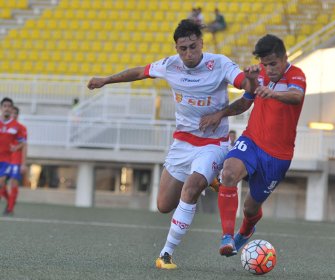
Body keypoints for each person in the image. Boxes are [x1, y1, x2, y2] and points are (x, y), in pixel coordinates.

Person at [87, 19, 257, 269]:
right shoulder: (170, 65)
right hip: (182, 143)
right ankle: (209, 178)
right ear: (176, 48)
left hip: (214, 143)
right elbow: (139, 72)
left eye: (192, 46)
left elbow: (247, 94)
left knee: (189, 189)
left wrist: (221, 113)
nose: (188, 53)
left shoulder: (219, 64)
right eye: (182, 48)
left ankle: (166, 254)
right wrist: (106, 80)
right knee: (164, 205)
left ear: (201, 42)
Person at [199, 34, 306, 256]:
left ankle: (246, 231)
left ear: (285, 56)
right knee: (228, 174)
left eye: (273, 63)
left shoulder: (297, 75)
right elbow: (245, 102)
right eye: (265, 64)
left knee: (250, 208)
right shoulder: (260, 73)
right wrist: (221, 113)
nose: (269, 68)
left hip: (278, 156)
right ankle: (227, 237)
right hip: (252, 140)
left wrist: (273, 93)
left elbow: (296, 97)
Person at [0, 98, 27, 216]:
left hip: (9, 160)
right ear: (1, 107)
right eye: (4, 106)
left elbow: (24, 144)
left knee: (8, 182)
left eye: (9, 106)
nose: (7, 108)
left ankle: (10, 207)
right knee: (2, 186)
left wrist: (23, 162)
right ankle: (8, 201)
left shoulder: (18, 127)